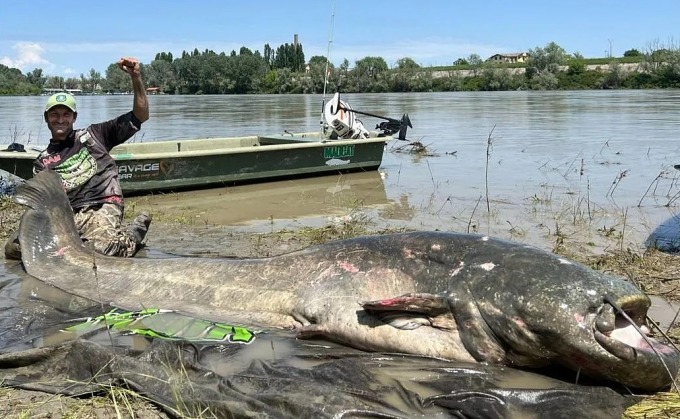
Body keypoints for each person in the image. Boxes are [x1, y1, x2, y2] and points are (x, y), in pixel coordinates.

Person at [4, 57, 151, 260]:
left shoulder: (95, 135)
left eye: (66, 114)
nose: (60, 119)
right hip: (68, 215)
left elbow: (141, 115)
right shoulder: (42, 162)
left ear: (74, 117)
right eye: (55, 114)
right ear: (46, 118)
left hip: (102, 205)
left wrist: (136, 77)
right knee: (15, 249)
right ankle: (82, 241)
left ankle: (133, 234)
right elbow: (46, 203)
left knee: (100, 251)